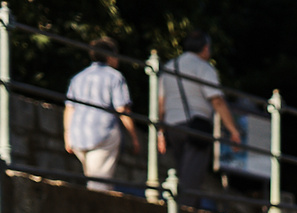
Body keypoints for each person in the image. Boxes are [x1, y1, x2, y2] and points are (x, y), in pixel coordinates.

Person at [158, 30, 241, 202]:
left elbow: (161, 103)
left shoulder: (169, 67)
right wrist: (233, 130)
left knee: (179, 171)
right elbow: (217, 100)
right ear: (205, 48)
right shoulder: (204, 67)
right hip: (196, 126)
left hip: (172, 126)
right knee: (191, 178)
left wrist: (160, 130)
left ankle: (175, 207)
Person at [63, 38, 138, 192]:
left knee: (95, 177)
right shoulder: (115, 76)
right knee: (99, 183)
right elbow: (122, 109)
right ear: (110, 56)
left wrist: (67, 135)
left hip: (78, 135)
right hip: (103, 134)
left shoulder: (78, 78)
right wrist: (134, 137)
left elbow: (70, 108)